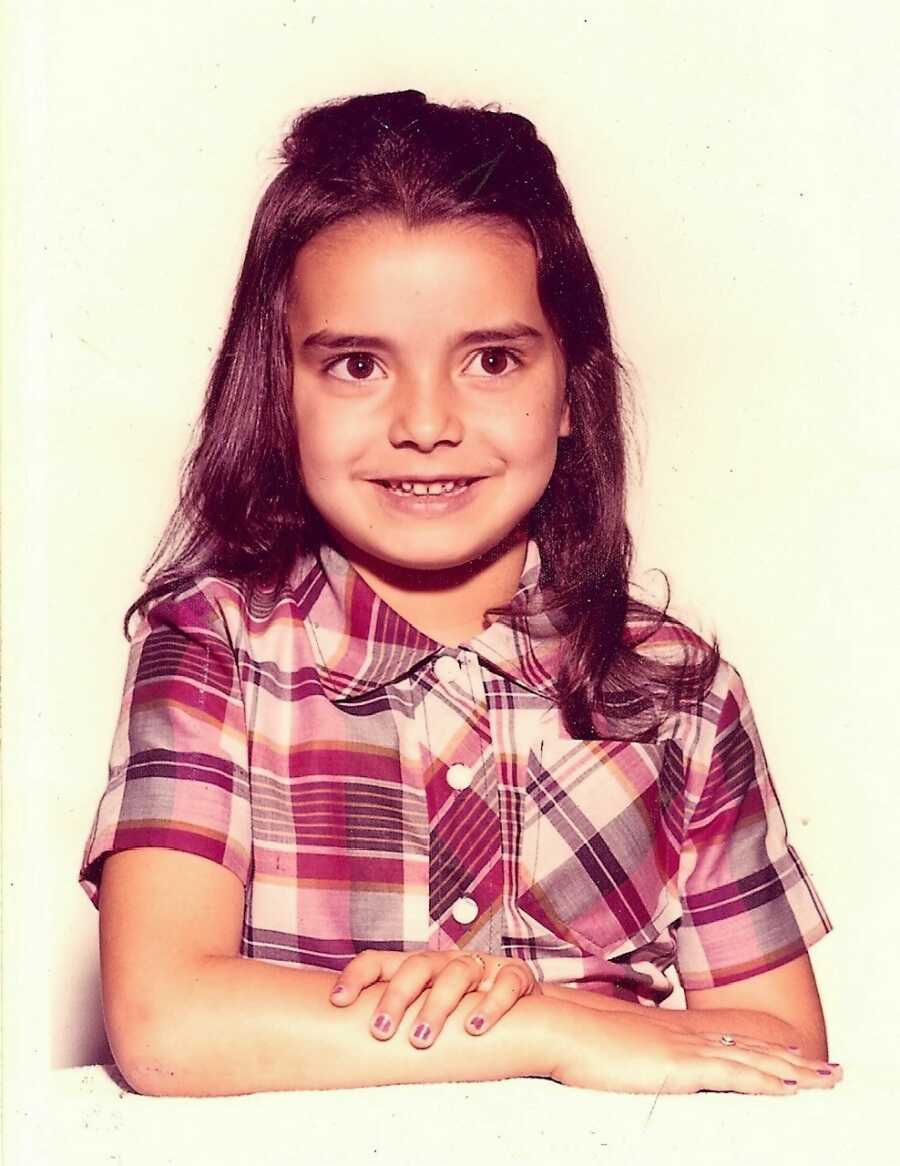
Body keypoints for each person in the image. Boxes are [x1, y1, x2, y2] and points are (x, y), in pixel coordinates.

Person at [79, 90, 837, 1098]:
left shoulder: (679, 692)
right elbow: (164, 1024)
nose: (425, 422)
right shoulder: (214, 648)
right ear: (277, 390)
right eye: (357, 363)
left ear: (572, 388)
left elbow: (787, 1049)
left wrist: (525, 1018)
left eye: (490, 359)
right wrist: (544, 1028)